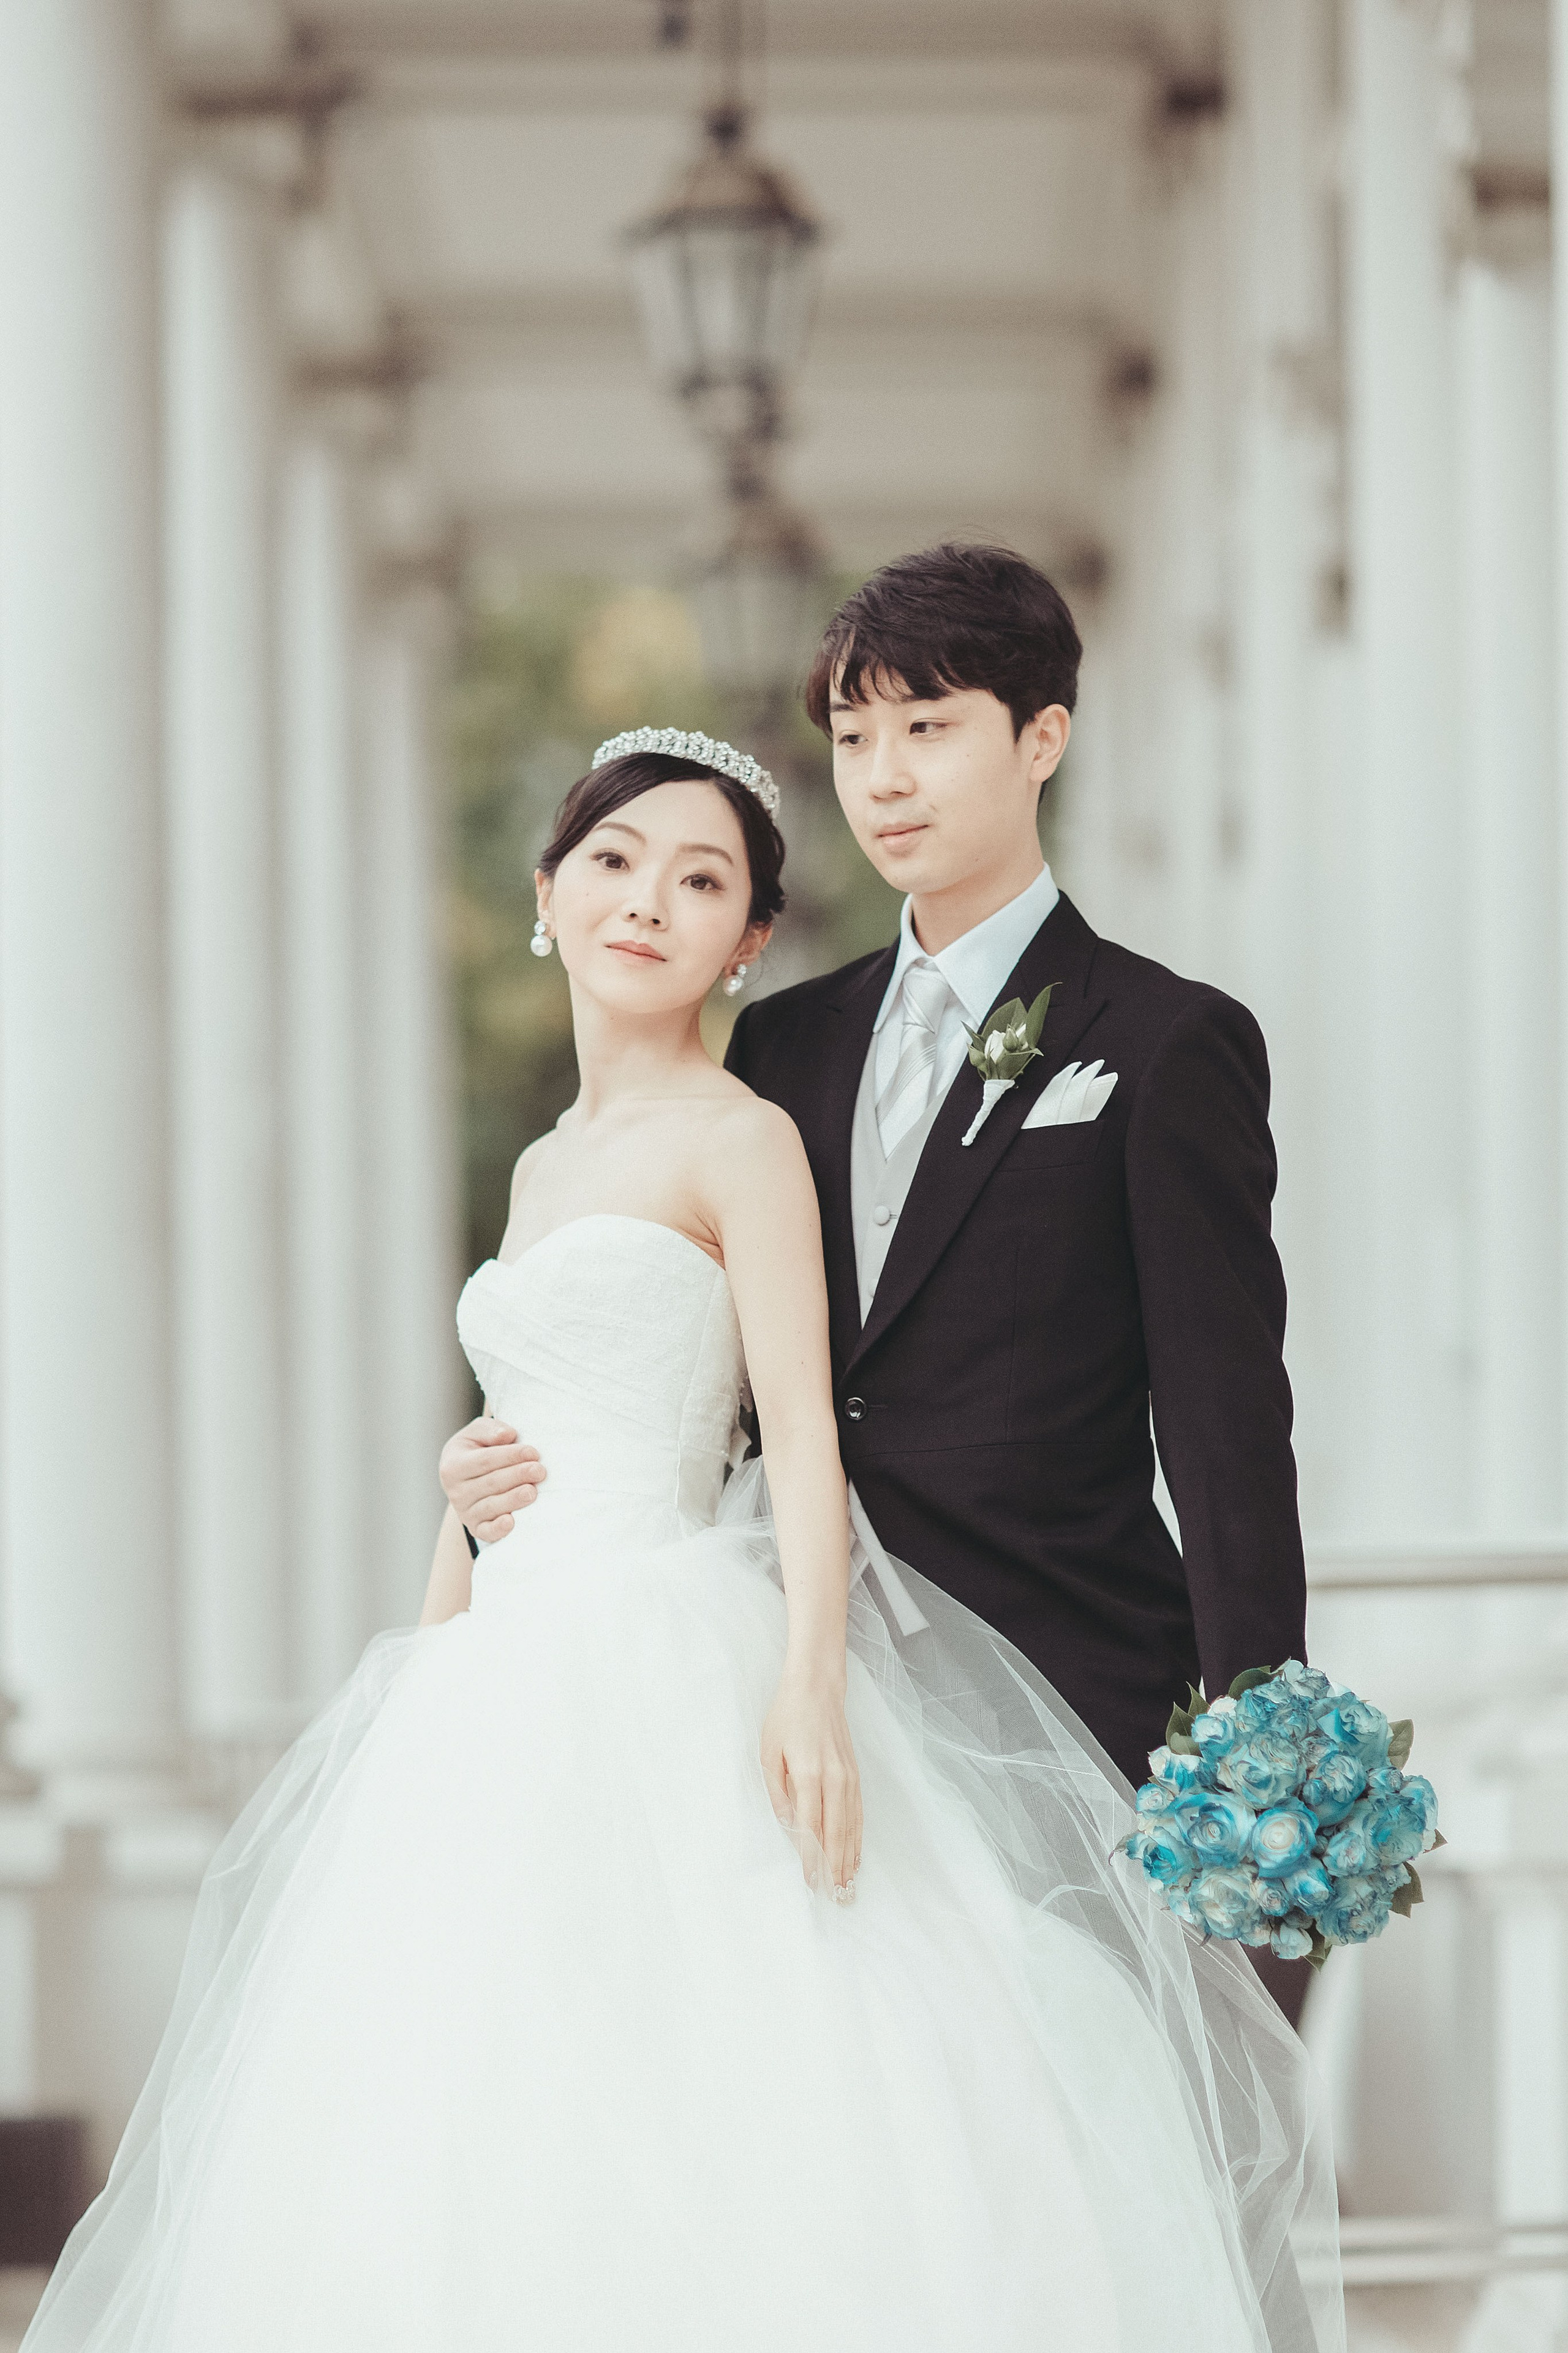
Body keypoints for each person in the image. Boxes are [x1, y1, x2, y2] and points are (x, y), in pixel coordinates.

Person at [24, 739, 1342, 2352]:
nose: (648, 898)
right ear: (548, 894)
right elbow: (518, 1432)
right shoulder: (535, 1166)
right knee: (458, 2115)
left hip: (680, 1648)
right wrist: (434, 1631)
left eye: (702, 879)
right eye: (617, 861)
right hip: (501, 1671)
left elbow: (799, 1427)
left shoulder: (741, 1137)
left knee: (734, 2091)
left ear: (747, 946)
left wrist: (806, 1680)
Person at [442, 545, 1311, 1998]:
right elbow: (715, 1373)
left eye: (927, 727)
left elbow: (1227, 1429)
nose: (883, 776)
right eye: (852, 739)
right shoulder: (781, 1048)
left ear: (1042, 737)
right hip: (785, 1669)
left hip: (1064, 1676)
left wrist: (1258, 1754)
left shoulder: (1160, 1044)